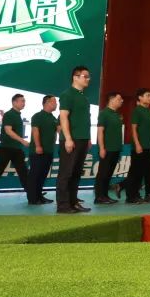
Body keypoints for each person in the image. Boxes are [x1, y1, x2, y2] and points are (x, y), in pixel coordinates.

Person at [57, 65, 93, 214]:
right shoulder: (67, 95)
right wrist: (68, 139)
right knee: (66, 173)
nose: (88, 79)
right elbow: (63, 117)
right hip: (72, 139)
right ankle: (63, 205)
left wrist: (88, 138)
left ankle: (73, 202)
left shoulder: (83, 96)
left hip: (83, 139)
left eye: (89, 77)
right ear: (75, 77)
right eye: (85, 76)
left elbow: (85, 120)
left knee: (77, 173)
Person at [123, 88, 150, 204]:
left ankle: (136, 195)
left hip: (147, 146)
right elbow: (134, 129)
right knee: (135, 172)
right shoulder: (137, 111)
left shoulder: (149, 111)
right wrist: (137, 144)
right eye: (148, 95)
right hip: (139, 146)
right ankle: (130, 197)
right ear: (140, 98)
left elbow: (148, 130)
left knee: (142, 172)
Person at [92, 92, 124, 205]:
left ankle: (105, 195)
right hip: (107, 149)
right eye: (119, 99)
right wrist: (102, 148)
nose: (121, 101)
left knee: (109, 174)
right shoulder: (104, 113)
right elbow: (100, 132)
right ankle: (99, 197)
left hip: (116, 148)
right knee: (103, 173)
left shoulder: (117, 114)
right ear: (112, 100)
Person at [27, 95, 58, 205]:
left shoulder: (53, 118)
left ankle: (39, 196)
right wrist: (38, 146)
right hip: (38, 151)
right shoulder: (37, 116)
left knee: (43, 175)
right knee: (35, 175)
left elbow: (58, 131)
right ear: (47, 102)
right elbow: (35, 131)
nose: (56, 104)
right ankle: (32, 199)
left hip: (49, 151)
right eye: (54, 101)